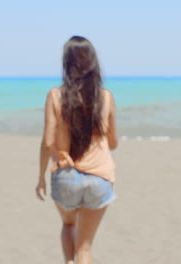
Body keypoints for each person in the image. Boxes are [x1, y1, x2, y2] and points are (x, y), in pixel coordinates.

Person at [35, 36, 118, 264]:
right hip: (100, 177)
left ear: (66, 63)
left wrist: (41, 177)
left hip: (66, 176)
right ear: (93, 63)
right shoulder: (106, 98)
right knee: (85, 247)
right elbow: (113, 143)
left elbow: (47, 141)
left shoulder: (55, 95)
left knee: (69, 224)